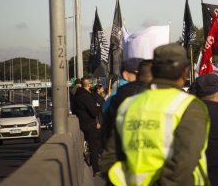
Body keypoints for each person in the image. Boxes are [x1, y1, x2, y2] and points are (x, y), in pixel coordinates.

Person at [100, 43, 210, 186]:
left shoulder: (128, 105)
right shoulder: (189, 106)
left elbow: (109, 157)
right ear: (185, 71)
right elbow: (183, 163)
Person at [101, 59, 153, 147]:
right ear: (126, 74)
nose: (141, 76)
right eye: (137, 73)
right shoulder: (119, 92)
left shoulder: (118, 91)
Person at [75, 76, 101, 176]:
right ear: (89, 84)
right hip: (89, 124)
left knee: (93, 145)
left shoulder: (78, 94)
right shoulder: (85, 96)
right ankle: (96, 169)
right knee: (94, 146)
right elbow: (94, 112)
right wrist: (97, 107)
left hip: (83, 122)